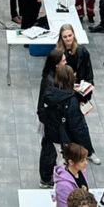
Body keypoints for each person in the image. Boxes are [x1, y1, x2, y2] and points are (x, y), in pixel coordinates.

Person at [38, 49, 67, 187]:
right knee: (48, 150)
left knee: (49, 149)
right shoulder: (50, 81)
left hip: (50, 119)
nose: (66, 62)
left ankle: (47, 175)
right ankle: (45, 179)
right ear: (56, 64)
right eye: (63, 60)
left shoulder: (52, 76)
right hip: (50, 120)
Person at [57, 23, 93, 87]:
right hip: (64, 84)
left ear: (73, 35)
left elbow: (88, 70)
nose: (68, 39)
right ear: (61, 38)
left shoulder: (82, 51)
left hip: (79, 84)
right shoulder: (58, 52)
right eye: (65, 37)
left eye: (70, 35)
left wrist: (89, 84)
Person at [54, 143, 90, 207]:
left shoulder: (80, 171)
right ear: (71, 162)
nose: (86, 163)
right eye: (82, 161)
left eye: (85, 159)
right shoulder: (63, 186)